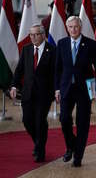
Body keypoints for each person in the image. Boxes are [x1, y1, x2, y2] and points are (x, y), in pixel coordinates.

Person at [55, 16, 96, 167]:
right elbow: (57, 69)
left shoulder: (91, 44)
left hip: (85, 89)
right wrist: (57, 88)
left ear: (80, 27)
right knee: (64, 119)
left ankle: (78, 156)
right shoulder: (61, 44)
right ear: (67, 28)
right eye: (70, 27)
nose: (73, 29)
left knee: (83, 123)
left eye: (76, 26)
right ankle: (71, 146)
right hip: (66, 88)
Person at [10, 24, 55, 162]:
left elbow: (55, 74)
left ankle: (39, 150)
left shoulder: (52, 50)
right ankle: (38, 142)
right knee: (27, 120)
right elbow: (20, 70)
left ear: (43, 35)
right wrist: (14, 86)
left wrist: (56, 91)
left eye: (36, 34)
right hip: (28, 93)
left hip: (44, 94)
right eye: (31, 35)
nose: (33, 37)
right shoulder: (26, 49)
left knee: (40, 121)